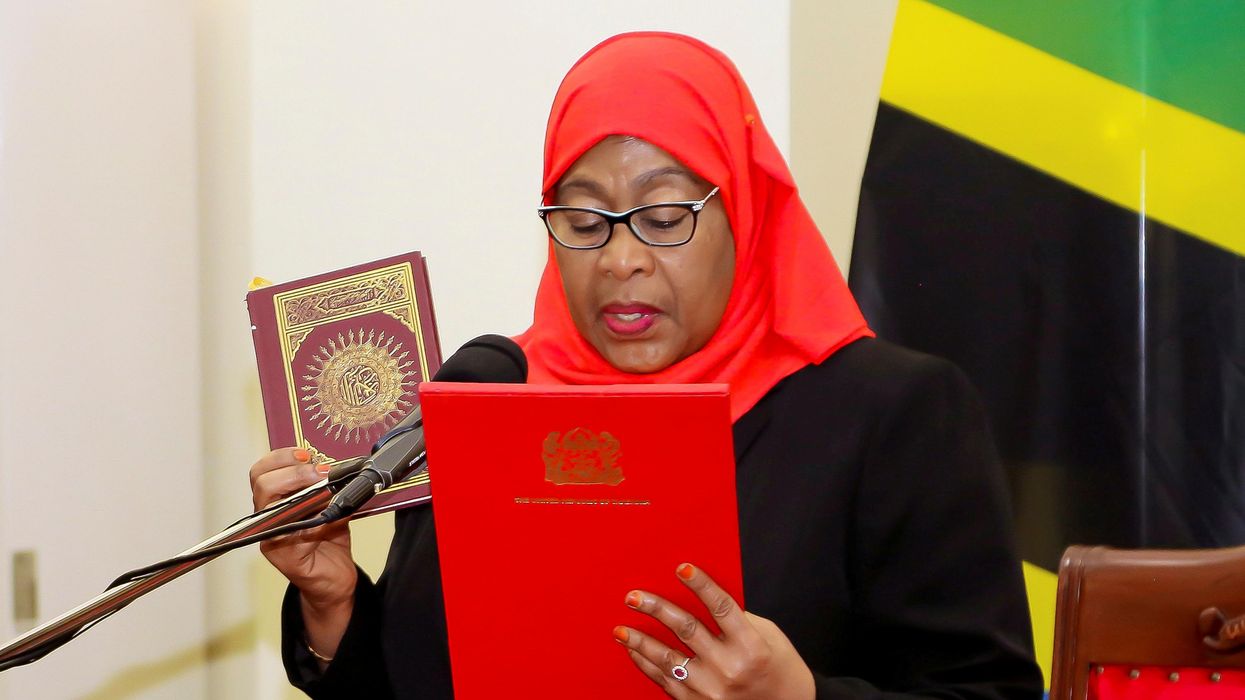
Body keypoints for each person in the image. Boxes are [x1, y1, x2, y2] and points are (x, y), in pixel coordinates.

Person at [250, 32, 1044, 699]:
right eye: (584, 218)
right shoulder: (484, 398)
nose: (620, 259)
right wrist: (333, 604)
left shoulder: (892, 414)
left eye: (664, 217)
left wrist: (799, 697)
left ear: (743, 213)